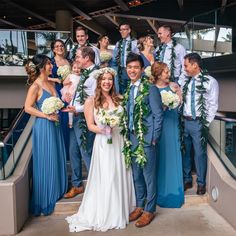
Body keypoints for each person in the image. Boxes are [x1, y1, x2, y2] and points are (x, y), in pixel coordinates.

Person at [66, 67, 135, 232]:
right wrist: (105, 130)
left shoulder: (120, 98)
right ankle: (108, 212)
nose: (107, 82)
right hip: (104, 143)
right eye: (103, 79)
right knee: (108, 176)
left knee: (119, 174)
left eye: (110, 79)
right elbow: (90, 126)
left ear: (113, 82)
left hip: (119, 141)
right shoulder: (91, 101)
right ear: (98, 81)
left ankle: (122, 208)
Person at [121, 53, 163, 227]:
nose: (132, 70)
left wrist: (153, 138)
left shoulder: (150, 88)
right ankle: (139, 206)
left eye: (136, 67)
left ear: (141, 69)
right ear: (126, 69)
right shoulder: (128, 89)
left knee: (149, 176)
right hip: (131, 138)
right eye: (129, 67)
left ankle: (149, 210)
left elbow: (158, 115)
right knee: (137, 175)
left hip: (146, 139)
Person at [24, 54, 67, 215]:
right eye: (49, 64)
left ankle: (57, 188)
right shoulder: (35, 86)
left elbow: (56, 102)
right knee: (47, 158)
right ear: (41, 67)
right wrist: (46, 115)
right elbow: (28, 107)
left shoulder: (50, 82)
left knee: (56, 156)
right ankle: (46, 196)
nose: (51, 66)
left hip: (55, 125)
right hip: (43, 126)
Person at [181, 53, 219, 195]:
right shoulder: (186, 81)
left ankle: (201, 183)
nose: (184, 68)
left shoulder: (210, 82)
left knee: (199, 154)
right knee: (185, 152)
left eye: (186, 65)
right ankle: (187, 179)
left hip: (198, 123)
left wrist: (205, 124)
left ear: (195, 65)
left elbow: (212, 105)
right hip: (184, 121)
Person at [63, 47, 97, 199]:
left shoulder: (95, 74)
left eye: (78, 56)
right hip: (74, 117)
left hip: (84, 118)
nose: (76, 59)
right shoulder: (83, 73)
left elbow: (94, 99)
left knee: (86, 152)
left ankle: (96, 187)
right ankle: (77, 185)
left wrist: (76, 108)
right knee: (73, 152)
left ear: (87, 58)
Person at [151, 61, 184, 208]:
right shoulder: (151, 89)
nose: (168, 74)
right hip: (159, 127)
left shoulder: (174, 86)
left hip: (172, 124)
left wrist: (174, 101)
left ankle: (173, 190)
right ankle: (158, 193)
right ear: (158, 74)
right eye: (165, 72)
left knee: (172, 155)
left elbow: (180, 102)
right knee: (160, 157)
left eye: (168, 71)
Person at [50, 39, 70, 159]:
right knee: (61, 119)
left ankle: (68, 153)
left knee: (69, 120)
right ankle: (60, 153)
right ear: (53, 49)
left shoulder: (69, 61)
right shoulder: (51, 62)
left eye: (61, 46)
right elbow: (44, 77)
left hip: (69, 92)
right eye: (57, 46)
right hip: (57, 91)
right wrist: (56, 80)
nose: (59, 48)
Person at [112, 22, 139, 94]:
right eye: (121, 30)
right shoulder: (118, 43)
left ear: (129, 30)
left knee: (132, 90)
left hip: (132, 70)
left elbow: (138, 57)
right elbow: (114, 58)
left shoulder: (135, 42)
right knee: (122, 91)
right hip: (121, 71)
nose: (122, 32)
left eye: (124, 29)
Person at [60, 61, 81, 128]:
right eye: (74, 68)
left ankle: (76, 113)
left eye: (78, 68)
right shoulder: (70, 75)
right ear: (72, 68)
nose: (76, 69)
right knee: (71, 105)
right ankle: (70, 122)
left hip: (77, 93)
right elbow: (63, 83)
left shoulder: (81, 76)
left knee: (76, 105)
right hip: (71, 92)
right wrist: (69, 83)